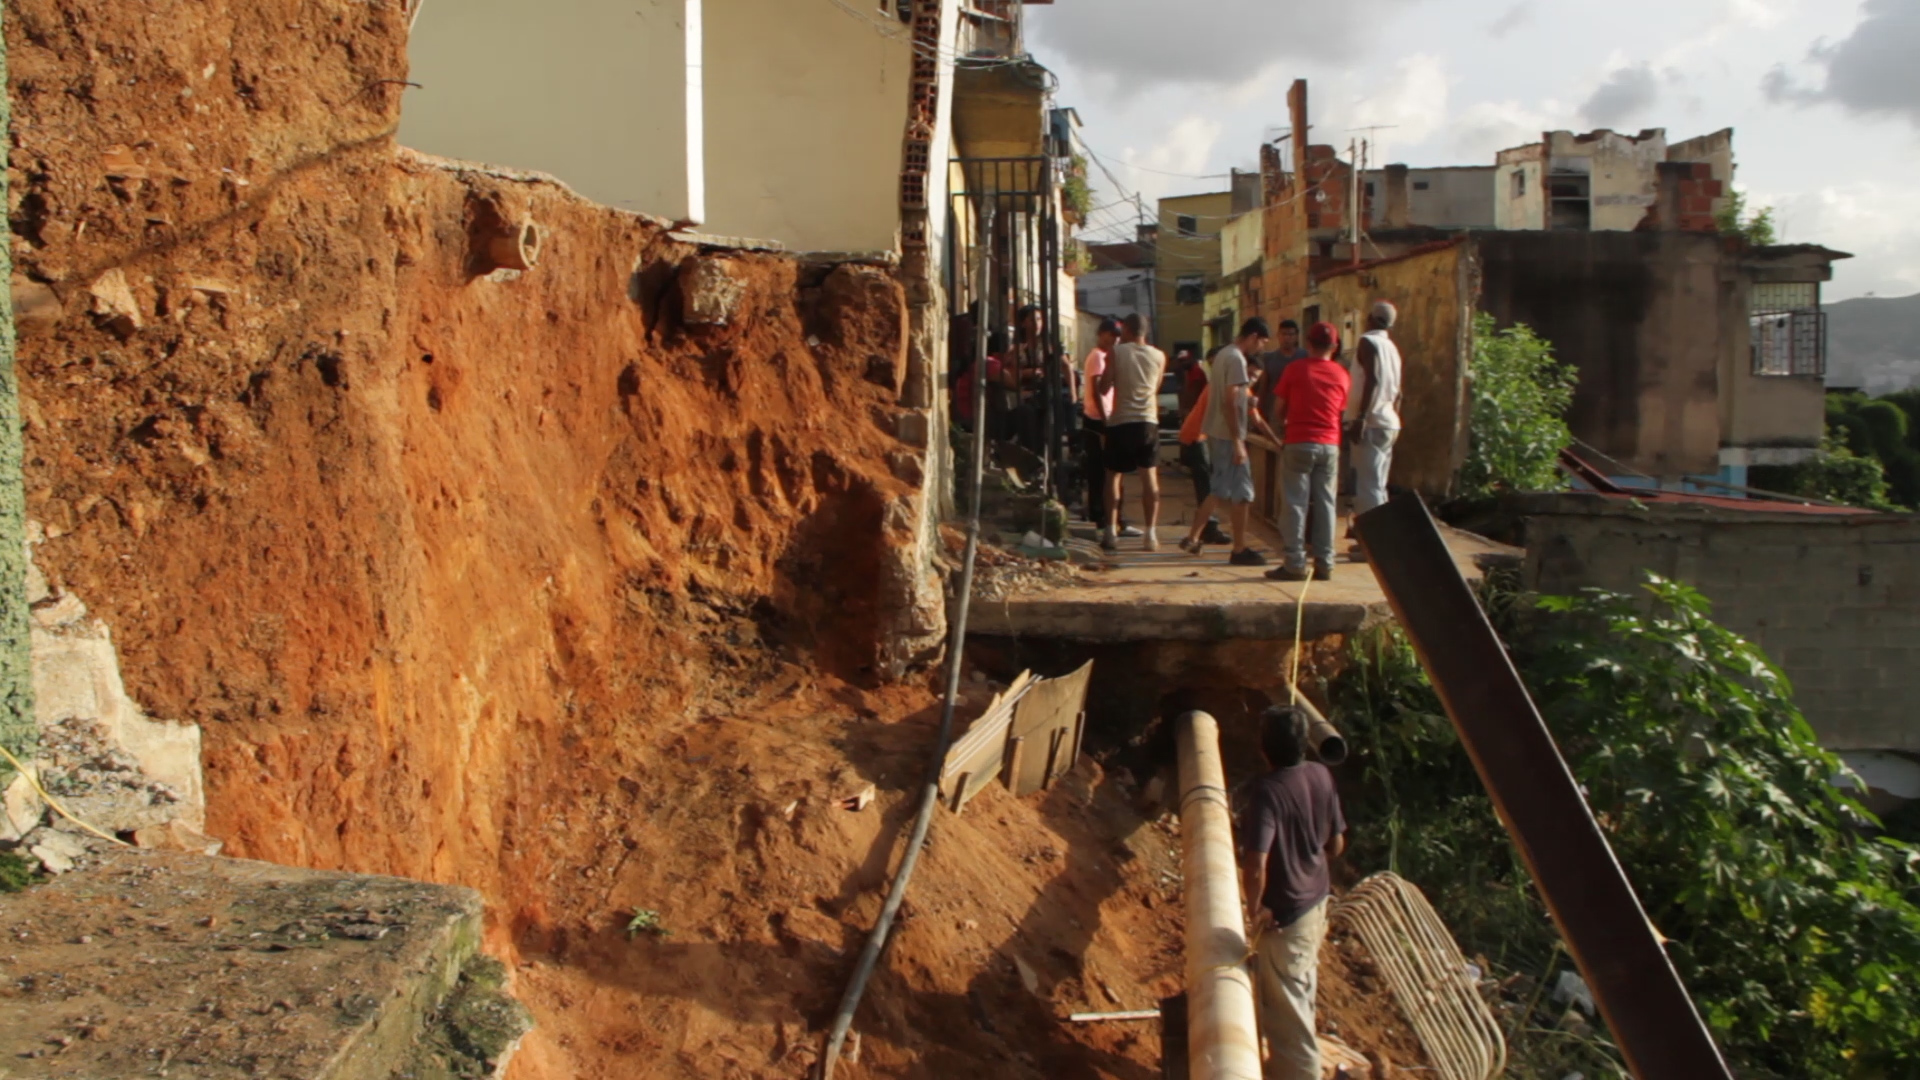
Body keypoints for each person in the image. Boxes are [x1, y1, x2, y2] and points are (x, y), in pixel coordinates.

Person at [1240, 705, 1347, 1080]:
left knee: (1289, 1024)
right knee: (1301, 994)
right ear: (1305, 743)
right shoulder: (1321, 774)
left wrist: (1253, 910)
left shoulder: (1267, 792)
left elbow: (1256, 864)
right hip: (1318, 904)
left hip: (1288, 917)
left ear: (1264, 747)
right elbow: (1335, 845)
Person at [1182, 318, 1279, 564]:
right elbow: (1230, 401)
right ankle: (1238, 549)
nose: (1261, 349)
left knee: (1225, 491)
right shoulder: (1236, 359)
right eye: (1262, 343)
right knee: (1240, 493)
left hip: (1218, 433)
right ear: (1254, 336)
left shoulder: (1225, 354)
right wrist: (1238, 441)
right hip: (1227, 435)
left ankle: (1199, 539)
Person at [1266, 322, 1348, 582]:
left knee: (1294, 503)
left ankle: (1295, 563)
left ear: (1308, 344)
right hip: (1330, 444)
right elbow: (1341, 410)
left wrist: (1284, 425)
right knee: (1326, 504)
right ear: (1334, 347)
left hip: (1299, 441)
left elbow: (1279, 409)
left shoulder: (1295, 370)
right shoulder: (1342, 375)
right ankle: (1325, 563)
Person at [1096, 312, 1167, 552]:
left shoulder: (1117, 352)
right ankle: (1151, 535)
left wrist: (1103, 383)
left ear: (1126, 330)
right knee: (1149, 479)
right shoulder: (1159, 356)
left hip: (1120, 422)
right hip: (1147, 421)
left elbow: (1105, 386)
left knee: (1113, 477)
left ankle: (1111, 531)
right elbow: (1155, 388)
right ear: (1144, 332)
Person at [1346, 301, 1403, 562]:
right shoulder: (1392, 348)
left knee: (1367, 487)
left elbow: (1373, 379)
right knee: (1378, 485)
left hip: (1372, 422)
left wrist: (1360, 417)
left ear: (1371, 319)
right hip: (1389, 421)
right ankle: (1382, 541)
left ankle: (1371, 547)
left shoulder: (1368, 342)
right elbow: (1398, 392)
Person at [1256, 319, 1308, 423]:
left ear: (1296, 336)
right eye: (1283, 334)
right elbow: (1263, 387)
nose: (1287, 338)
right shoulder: (1268, 358)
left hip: (1299, 413)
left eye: (1290, 334)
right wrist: (1260, 412)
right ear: (1278, 336)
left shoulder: (1305, 356)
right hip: (1274, 412)